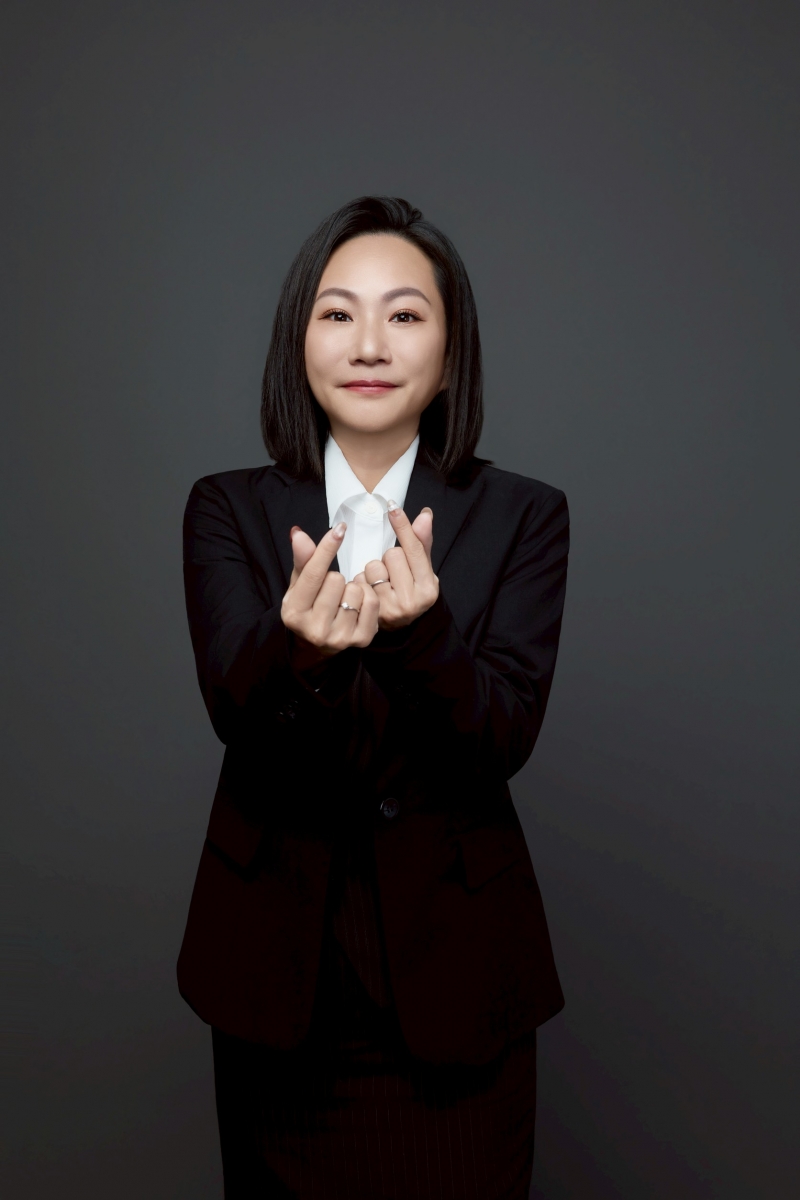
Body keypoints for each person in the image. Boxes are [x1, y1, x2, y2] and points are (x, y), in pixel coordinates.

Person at [177, 195, 569, 1198]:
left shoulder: (523, 515)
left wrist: (422, 636)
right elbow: (234, 713)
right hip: (275, 975)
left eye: (404, 314)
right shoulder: (227, 507)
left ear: (449, 350)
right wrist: (300, 654)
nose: (368, 345)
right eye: (336, 313)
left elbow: (501, 738)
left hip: (457, 978)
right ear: (298, 341)